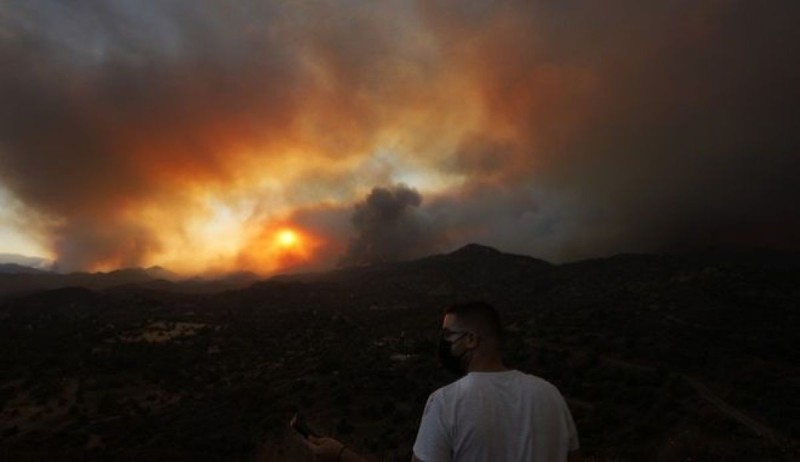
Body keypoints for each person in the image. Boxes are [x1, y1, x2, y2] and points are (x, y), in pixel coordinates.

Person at [299, 301, 582, 461]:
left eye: (447, 335)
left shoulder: (446, 403)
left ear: (471, 339)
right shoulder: (550, 395)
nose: (442, 342)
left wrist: (340, 454)